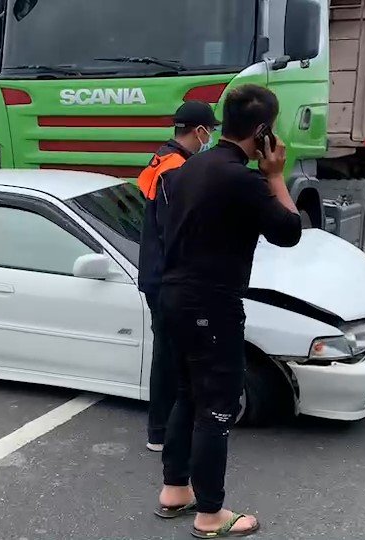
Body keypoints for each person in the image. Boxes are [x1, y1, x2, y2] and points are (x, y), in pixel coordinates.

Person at [154, 84, 302, 538]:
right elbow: (290, 231)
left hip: (173, 296)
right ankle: (210, 515)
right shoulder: (243, 179)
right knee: (217, 406)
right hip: (211, 303)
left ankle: (175, 490)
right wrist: (275, 175)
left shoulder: (189, 167)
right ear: (263, 131)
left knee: (186, 393)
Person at [137, 101, 220, 453]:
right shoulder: (175, 170)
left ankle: (165, 427)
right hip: (166, 278)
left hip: (158, 275)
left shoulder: (163, 160)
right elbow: (174, 230)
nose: (211, 137)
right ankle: (160, 432)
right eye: (209, 131)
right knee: (170, 356)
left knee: (169, 353)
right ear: (198, 131)